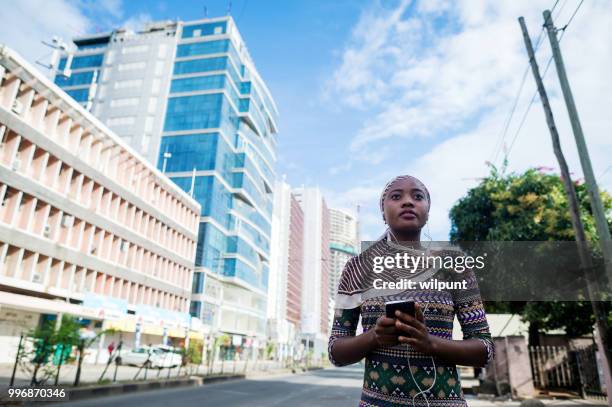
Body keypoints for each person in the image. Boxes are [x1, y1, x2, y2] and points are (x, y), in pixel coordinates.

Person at [328, 175, 494, 407]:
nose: (408, 202)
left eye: (418, 196)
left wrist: (431, 343)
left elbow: (485, 349)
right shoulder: (357, 268)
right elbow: (336, 351)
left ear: (427, 210)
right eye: (396, 196)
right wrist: (374, 337)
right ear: (382, 212)